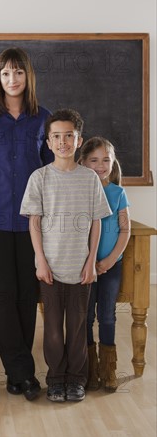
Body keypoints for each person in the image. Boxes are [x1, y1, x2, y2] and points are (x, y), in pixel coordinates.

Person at [0, 47, 53, 401]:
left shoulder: (44, 118)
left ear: (28, 76)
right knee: (4, 296)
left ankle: (20, 369)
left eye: (18, 72)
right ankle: (20, 372)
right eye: (5, 73)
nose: (12, 79)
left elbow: (53, 169)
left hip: (35, 222)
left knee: (27, 295)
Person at [20, 109, 111, 403]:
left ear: (78, 139)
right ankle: (56, 378)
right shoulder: (40, 178)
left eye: (68, 136)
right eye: (56, 137)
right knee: (53, 330)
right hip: (50, 269)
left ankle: (76, 379)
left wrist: (91, 262)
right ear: (48, 142)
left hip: (80, 269)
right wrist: (41, 261)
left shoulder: (89, 179)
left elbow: (96, 222)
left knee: (78, 327)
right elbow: (34, 222)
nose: (62, 142)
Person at [79, 136, 131, 392]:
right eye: (94, 160)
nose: (100, 165)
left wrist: (110, 260)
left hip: (110, 267)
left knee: (107, 315)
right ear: (83, 162)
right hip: (84, 267)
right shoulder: (79, 191)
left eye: (106, 160)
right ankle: (89, 370)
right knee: (86, 316)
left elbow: (125, 231)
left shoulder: (118, 193)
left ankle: (108, 370)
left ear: (113, 163)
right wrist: (89, 262)